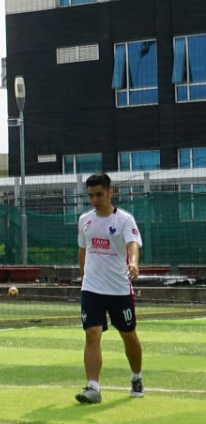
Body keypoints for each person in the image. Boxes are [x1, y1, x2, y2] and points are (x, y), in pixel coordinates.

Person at [75, 172, 143, 404]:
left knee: (128, 336)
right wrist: (83, 277)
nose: (95, 199)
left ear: (110, 193)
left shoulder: (124, 219)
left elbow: (132, 244)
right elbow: (83, 250)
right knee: (92, 334)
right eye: (91, 195)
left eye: (99, 194)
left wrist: (133, 263)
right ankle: (93, 387)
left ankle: (136, 376)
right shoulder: (85, 220)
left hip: (119, 289)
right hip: (92, 288)